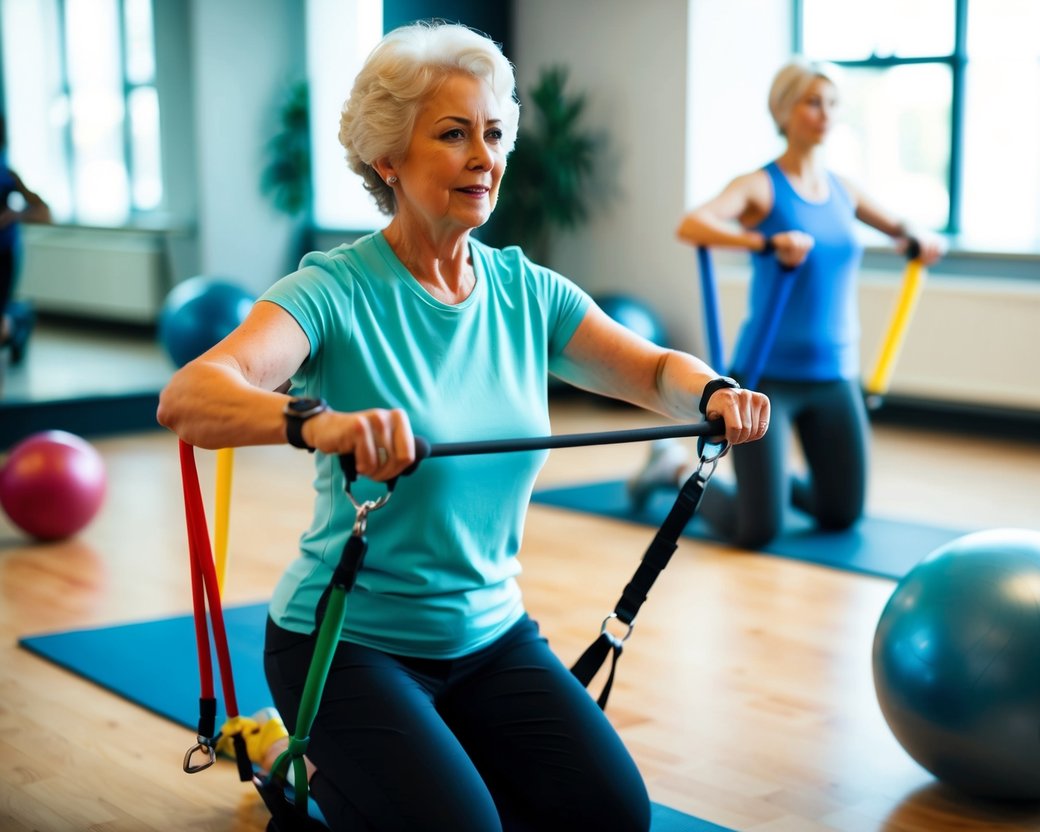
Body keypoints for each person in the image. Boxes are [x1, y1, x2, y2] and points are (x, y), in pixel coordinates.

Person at [157, 22, 768, 832]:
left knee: (612, 816)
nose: (485, 157)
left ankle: (403, 761)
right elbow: (191, 397)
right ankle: (312, 763)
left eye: (493, 133)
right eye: (453, 135)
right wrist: (319, 423)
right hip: (344, 644)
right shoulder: (332, 291)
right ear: (388, 159)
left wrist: (714, 391)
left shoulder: (526, 291)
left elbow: (653, 371)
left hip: (491, 636)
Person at [629, 58, 944, 548]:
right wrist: (766, 243)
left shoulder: (845, 189)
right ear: (783, 111)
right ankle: (669, 470)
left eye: (833, 104)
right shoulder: (760, 185)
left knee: (840, 514)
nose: (825, 114)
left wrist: (917, 235)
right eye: (812, 102)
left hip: (835, 376)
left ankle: (765, 487)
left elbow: (901, 227)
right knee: (759, 530)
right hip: (767, 377)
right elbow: (692, 224)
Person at [0, 115, 51, 364]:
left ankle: (20, 320)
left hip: (3, 255)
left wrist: (13, 215)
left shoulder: (7, 176)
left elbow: (44, 213)